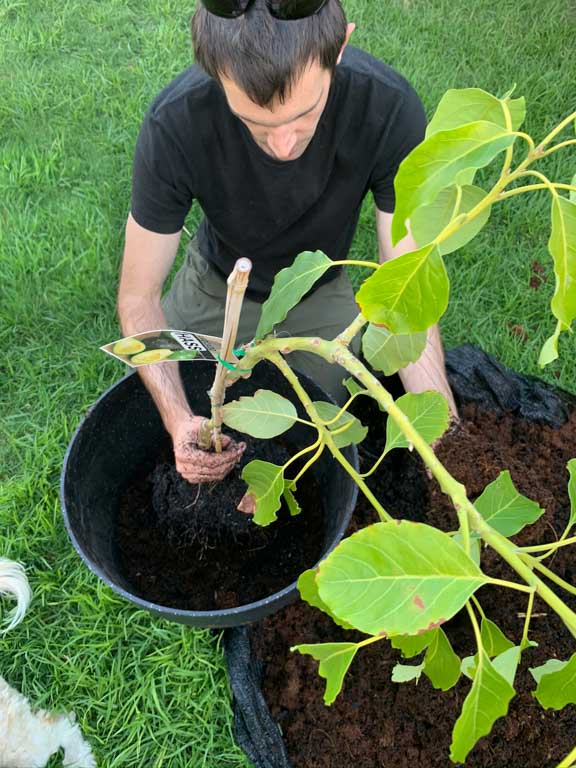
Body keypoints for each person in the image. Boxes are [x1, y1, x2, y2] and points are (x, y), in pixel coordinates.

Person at [117, 0, 457, 485]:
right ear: (215, 74)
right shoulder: (175, 122)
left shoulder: (387, 108)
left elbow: (405, 281)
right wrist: (178, 421)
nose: (282, 145)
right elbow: (137, 297)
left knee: (321, 438)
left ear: (339, 48)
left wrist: (440, 438)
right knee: (151, 412)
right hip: (218, 286)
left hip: (317, 290)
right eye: (255, 123)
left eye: (304, 114)